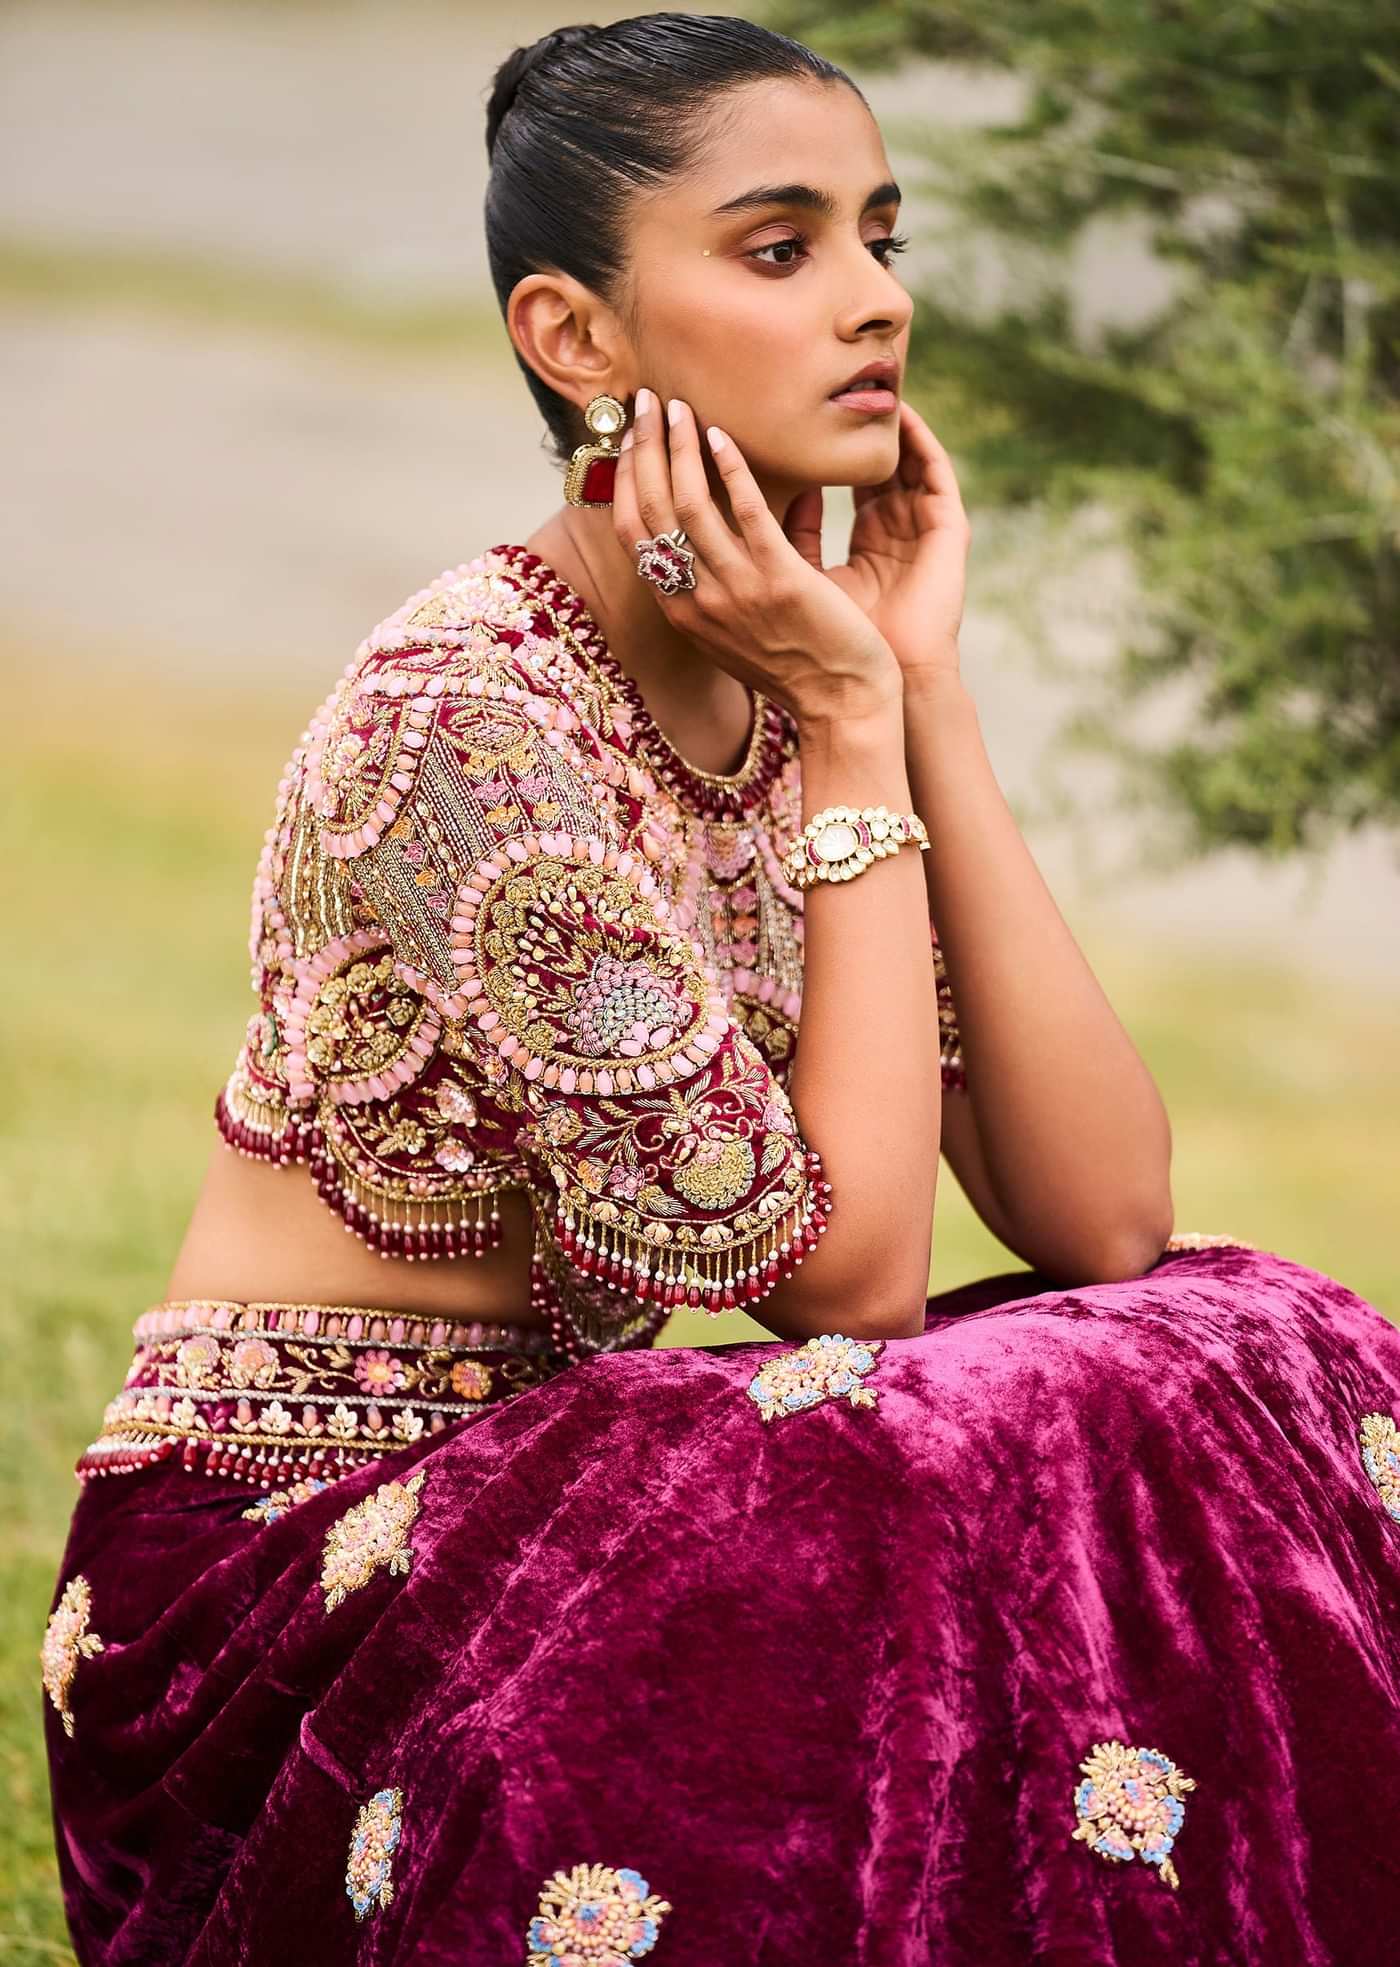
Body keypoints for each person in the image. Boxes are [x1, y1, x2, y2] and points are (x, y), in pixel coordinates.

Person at [41, 14, 1400, 1963]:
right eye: (781, 248)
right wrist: (851, 720)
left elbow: (1103, 1215)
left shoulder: (794, 692)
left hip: (563, 1493)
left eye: (881, 237)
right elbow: (845, 1288)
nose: (875, 300)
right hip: (277, 1590)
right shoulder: (464, 717)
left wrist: (919, 692)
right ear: (574, 337)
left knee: (1230, 1334)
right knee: (991, 1417)